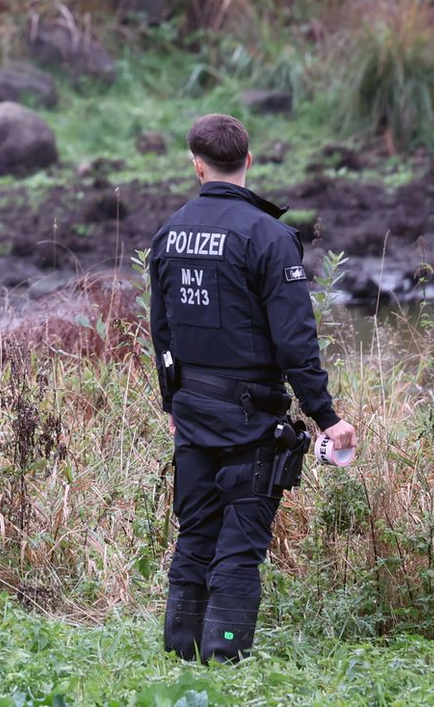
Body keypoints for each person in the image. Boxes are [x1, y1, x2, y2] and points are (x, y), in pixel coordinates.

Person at [150, 113, 357, 662]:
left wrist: (173, 401)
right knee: (239, 547)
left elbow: (162, 331)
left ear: (197, 164)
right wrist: (327, 417)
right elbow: (295, 340)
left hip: (192, 412)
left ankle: (180, 654)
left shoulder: (170, 233)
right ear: (250, 160)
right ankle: (225, 658)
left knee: (195, 535)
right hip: (250, 420)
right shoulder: (268, 235)